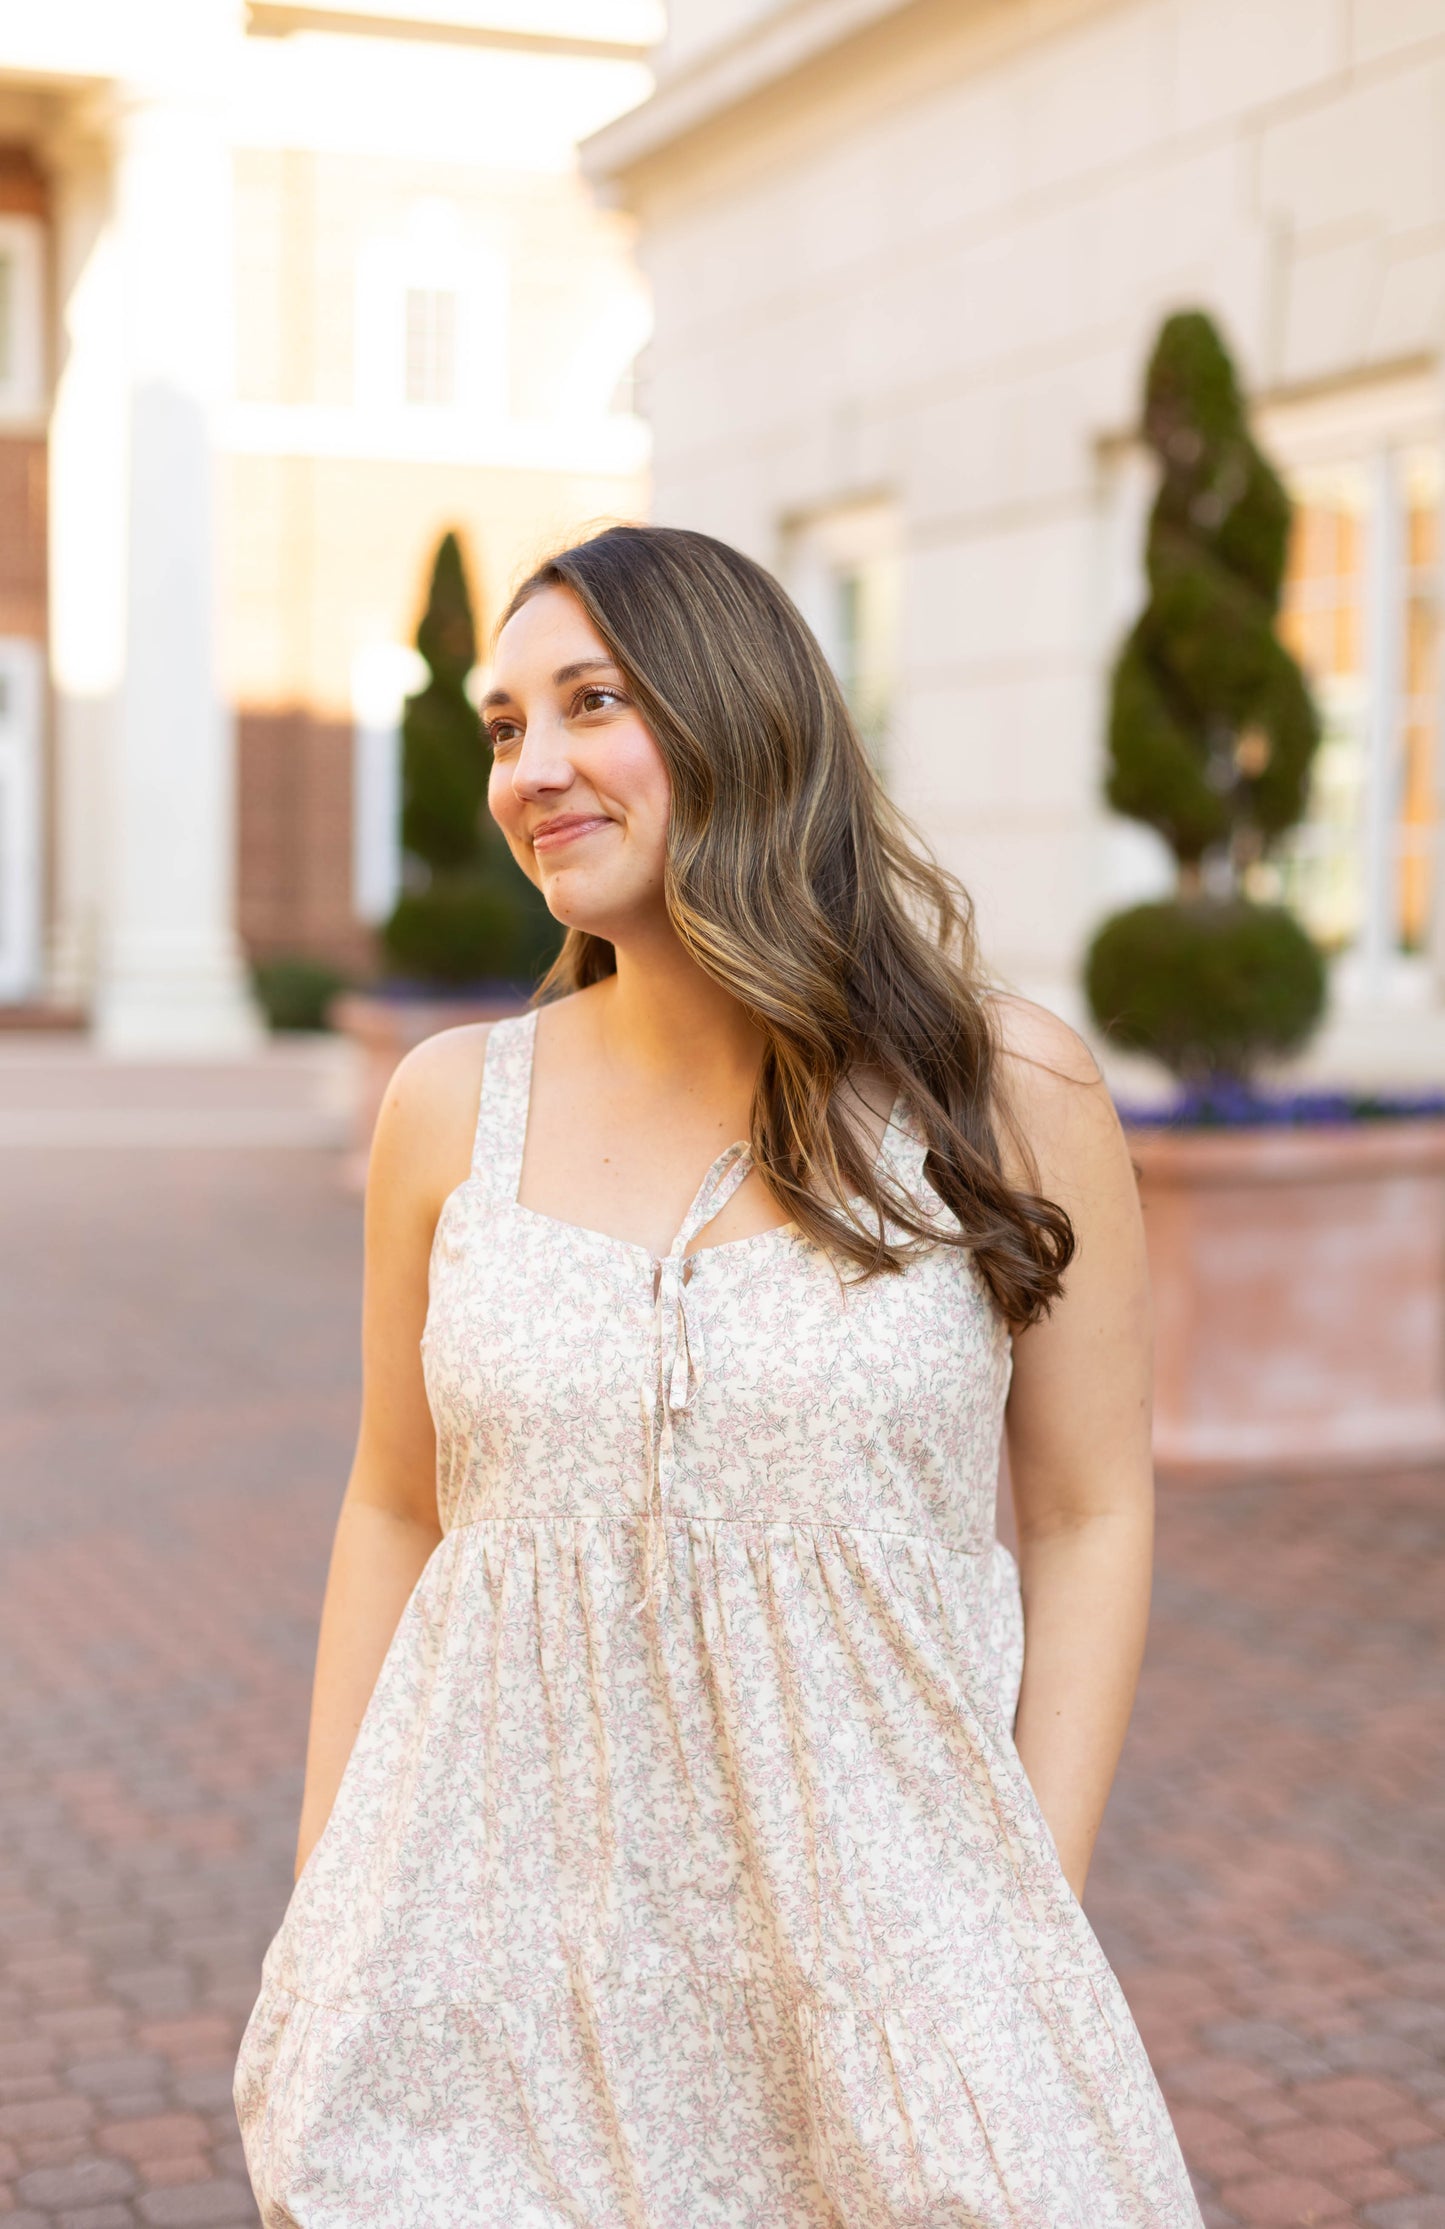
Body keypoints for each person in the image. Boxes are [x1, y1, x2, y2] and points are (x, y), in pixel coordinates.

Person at [236, 524, 1203, 2227]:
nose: (528, 768)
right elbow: (395, 1507)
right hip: (486, 1983)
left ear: (739, 716)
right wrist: (329, 1899)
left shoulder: (1004, 1090)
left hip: (895, 1972)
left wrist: (1017, 1913)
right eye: (503, 725)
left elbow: (1088, 1514)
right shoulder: (450, 1109)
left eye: (588, 703)